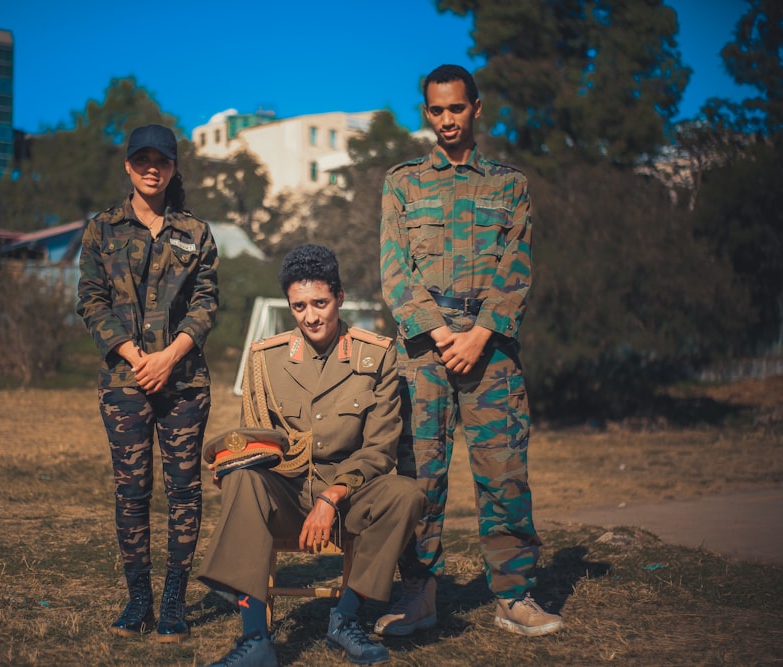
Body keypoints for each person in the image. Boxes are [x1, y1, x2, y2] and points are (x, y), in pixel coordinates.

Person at [375, 64, 564, 638]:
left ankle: (514, 598)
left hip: (492, 353)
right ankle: (419, 596)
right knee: (418, 478)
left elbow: (518, 268)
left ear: (476, 108)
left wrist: (480, 334)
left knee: (504, 474)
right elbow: (394, 271)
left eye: (457, 108)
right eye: (436, 110)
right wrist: (440, 334)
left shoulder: (510, 184)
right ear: (426, 113)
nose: (447, 119)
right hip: (424, 355)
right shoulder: (402, 182)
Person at [198, 244, 425, 667]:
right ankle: (256, 640)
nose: (311, 315)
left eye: (320, 302)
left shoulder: (375, 355)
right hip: (286, 496)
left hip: (348, 500)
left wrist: (331, 496)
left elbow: (380, 449)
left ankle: (346, 618)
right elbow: (256, 443)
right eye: (299, 305)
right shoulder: (266, 359)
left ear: (339, 297)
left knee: (405, 494)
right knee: (243, 477)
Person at [76, 124, 219, 643]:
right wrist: (138, 358)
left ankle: (175, 602)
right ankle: (138, 601)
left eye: (161, 159)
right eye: (142, 159)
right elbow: (90, 300)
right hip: (124, 382)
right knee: (131, 492)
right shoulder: (102, 229)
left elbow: (206, 303)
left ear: (175, 167)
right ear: (128, 167)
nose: (151, 167)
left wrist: (170, 356)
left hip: (184, 384)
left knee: (184, 493)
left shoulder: (196, 233)